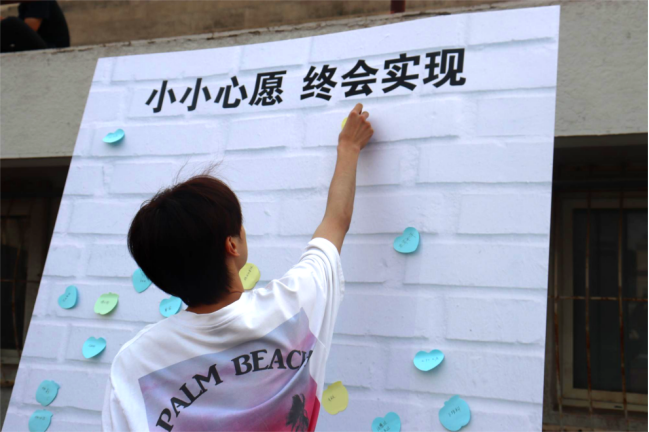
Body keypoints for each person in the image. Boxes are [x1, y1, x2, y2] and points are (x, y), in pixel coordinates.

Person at [102, 104, 374, 432]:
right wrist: (349, 146)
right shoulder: (294, 307)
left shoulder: (136, 362)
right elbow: (336, 221)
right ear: (231, 245)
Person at [0, 0, 69, 53]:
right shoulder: (25, 4)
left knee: (11, 22)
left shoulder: (37, 2)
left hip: (54, 52)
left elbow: (28, 29)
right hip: (42, 49)